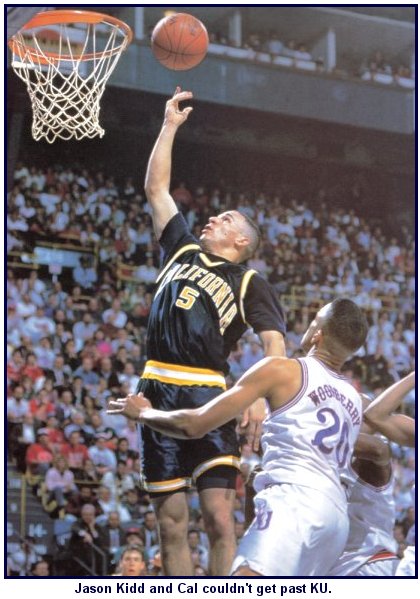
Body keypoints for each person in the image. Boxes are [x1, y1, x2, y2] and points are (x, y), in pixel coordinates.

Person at [128, 87, 286, 576]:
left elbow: (274, 344)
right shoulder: (181, 248)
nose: (213, 217)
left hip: (210, 393)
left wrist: (258, 396)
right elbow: (157, 190)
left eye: (226, 219)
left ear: (240, 240)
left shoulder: (249, 281)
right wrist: (169, 127)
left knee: (219, 518)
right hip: (156, 386)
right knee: (170, 524)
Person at [108, 298, 367, 576]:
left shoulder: (282, 369)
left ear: (317, 334)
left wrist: (144, 413)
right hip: (336, 520)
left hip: (296, 500)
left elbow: (194, 425)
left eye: (314, 320)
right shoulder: (354, 398)